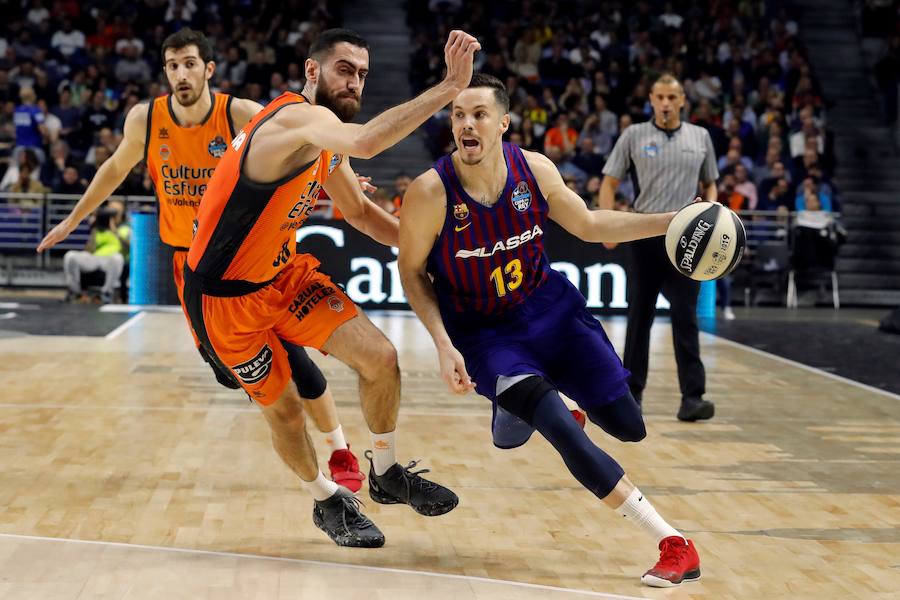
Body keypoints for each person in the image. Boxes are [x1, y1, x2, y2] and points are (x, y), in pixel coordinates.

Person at [398, 73, 702, 588]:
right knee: (560, 429)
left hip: (552, 311)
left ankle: (524, 406)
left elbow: (589, 225)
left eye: (478, 114)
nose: (467, 124)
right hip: (486, 335)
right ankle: (674, 542)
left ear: (503, 123)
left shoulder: (532, 169)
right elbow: (411, 272)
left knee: (629, 426)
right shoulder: (431, 192)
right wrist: (443, 343)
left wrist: (674, 220)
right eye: (458, 115)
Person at [183, 28, 479, 548]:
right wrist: (451, 87)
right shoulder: (296, 117)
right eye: (345, 69)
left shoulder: (324, 140)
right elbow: (367, 141)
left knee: (381, 358)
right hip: (224, 299)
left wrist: (434, 257)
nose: (355, 82)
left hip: (284, 275)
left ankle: (386, 473)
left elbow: (363, 213)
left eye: (363, 74)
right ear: (313, 70)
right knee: (289, 412)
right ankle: (325, 499)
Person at [37, 29, 364, 492]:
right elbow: (113, 168)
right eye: (172, 65)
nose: (180, 74)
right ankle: (311, 443)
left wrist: (341, 173)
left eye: (189, 63)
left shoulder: (240, 113)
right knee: (235, 376)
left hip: (258, 258)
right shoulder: (146, 120)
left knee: (298, 360)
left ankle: (339, 450)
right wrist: (74, 218)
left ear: (208, 69)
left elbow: (315, 145)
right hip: (195, 271)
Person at [599, 73, 719, 422]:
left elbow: (711, 183)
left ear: (682, 100)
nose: (666, 103)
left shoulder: (701, 137)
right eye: (660, 97)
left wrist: (711, 212)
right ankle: (631, 397)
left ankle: (692, 398)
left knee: (686, 318)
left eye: (672, 97)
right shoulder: (634, 135)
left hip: (687, 238)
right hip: (643, 234)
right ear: (651, 99)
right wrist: (607, 222)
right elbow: (610, 181)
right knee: (639, 318)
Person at [62, 202, 127, 304]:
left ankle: (106, 293)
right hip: (95, 258)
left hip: (110, 260)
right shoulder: (98, 228)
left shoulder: (124, 228)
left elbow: (128, 247)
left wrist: (114, 230)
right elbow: (89, 249)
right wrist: (93, 226)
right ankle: (75, 292)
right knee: (70, 256)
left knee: (118, 258)